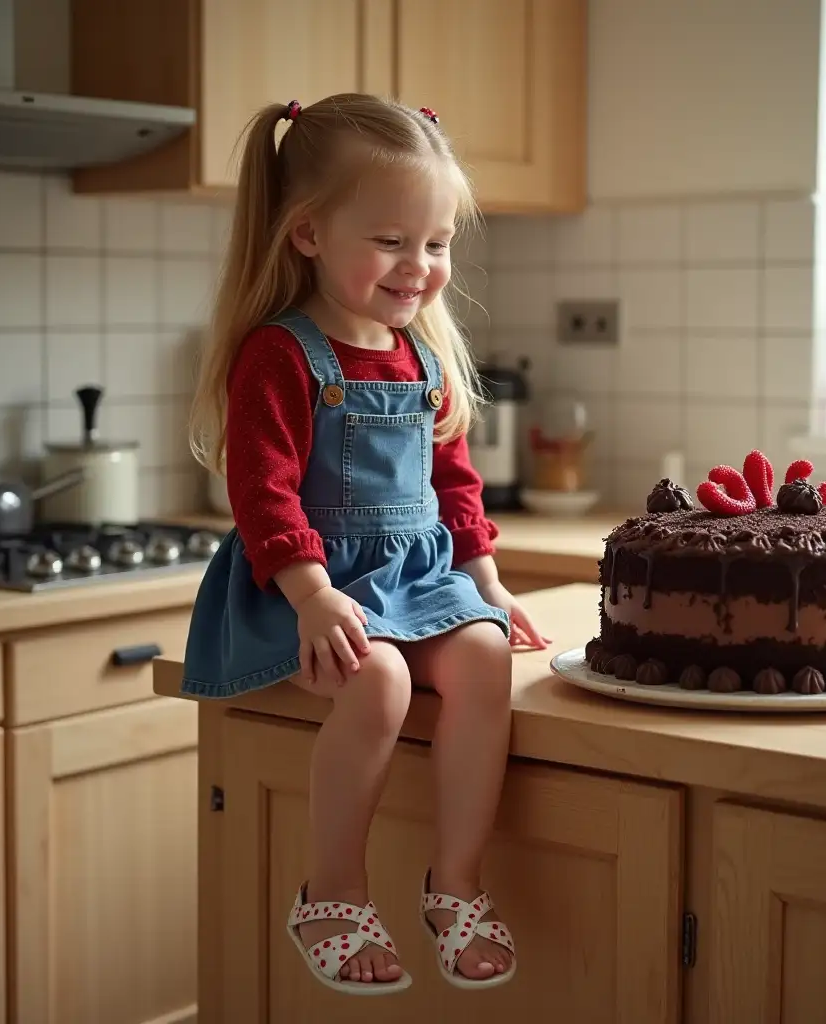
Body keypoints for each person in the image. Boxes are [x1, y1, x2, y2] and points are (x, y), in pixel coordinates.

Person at [183, 93, 549, 995]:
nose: (420, 267)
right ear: (306, 233)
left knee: (485, 656)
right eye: (392, 241)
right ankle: (333, 890)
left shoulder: (421, 354)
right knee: (380, 677)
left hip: (416, 578)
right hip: (307, 582)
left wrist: (489, 585)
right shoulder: (281, 352)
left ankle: (454, 880)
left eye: (437, 243)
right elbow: (261, 491)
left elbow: (454, 489)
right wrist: (311, 597)